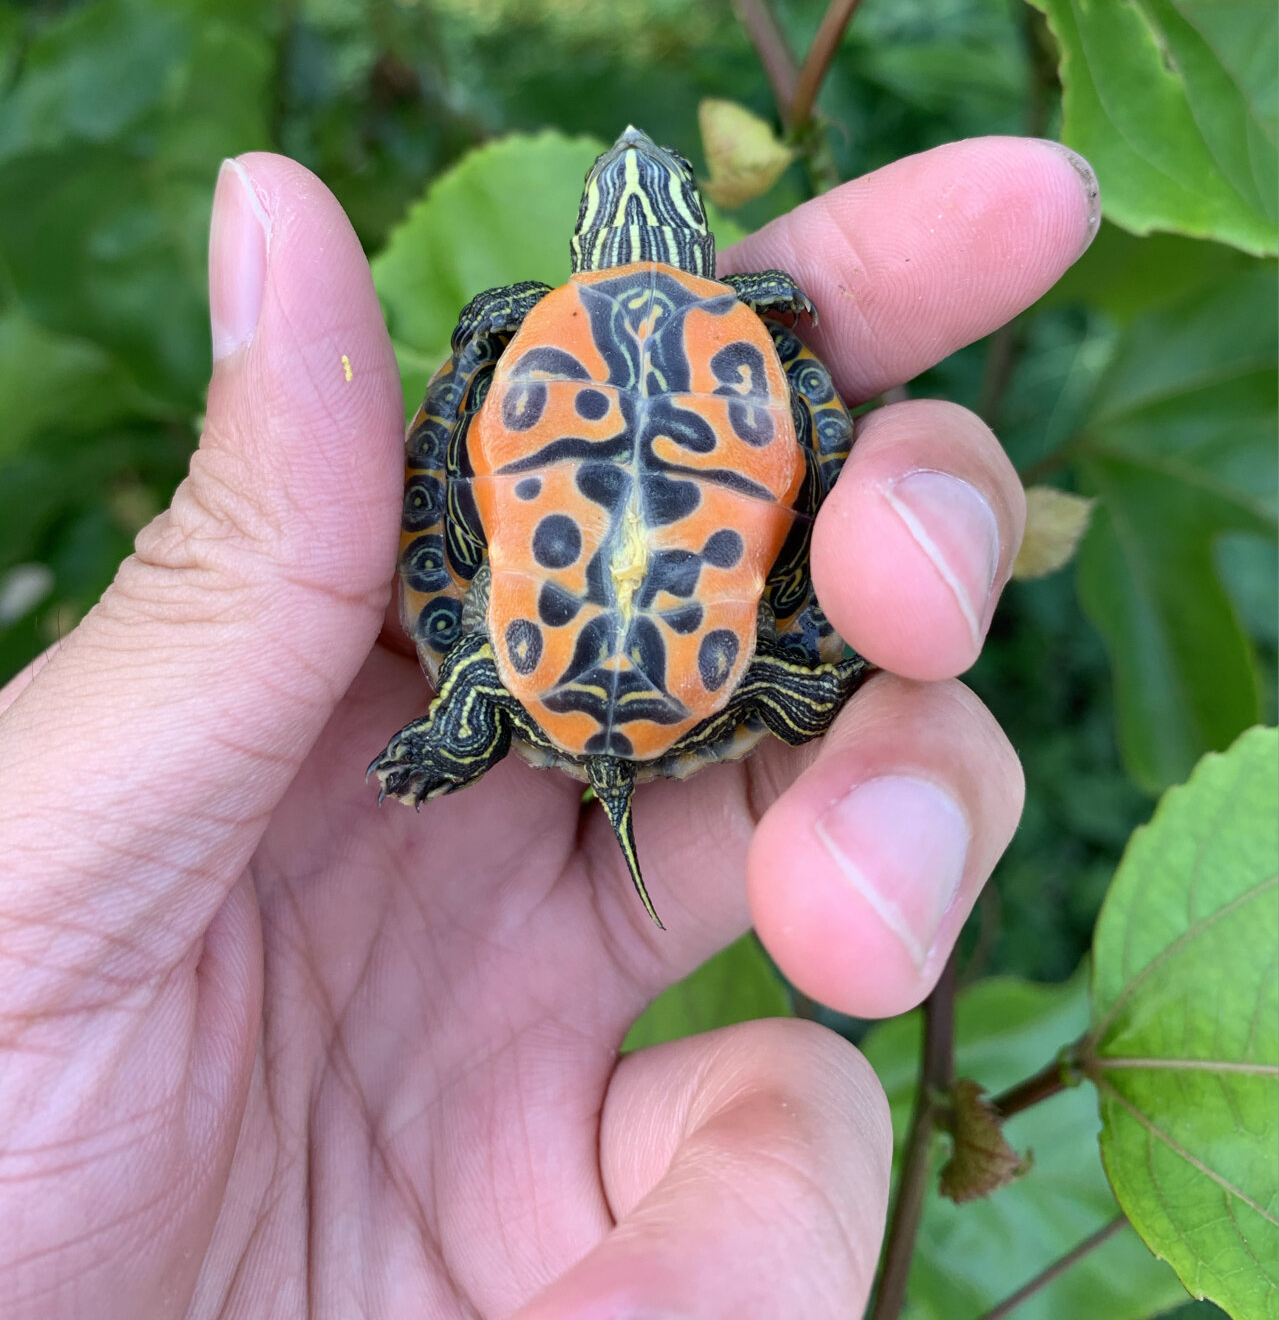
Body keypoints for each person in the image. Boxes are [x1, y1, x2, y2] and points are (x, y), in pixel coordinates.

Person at [0, 136, 1099, 1318]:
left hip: (536, 662)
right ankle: (538, 704)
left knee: (811, 626)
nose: (634, 165)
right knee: (826, 647)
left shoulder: (543, 320)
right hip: (699, 674)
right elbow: (752, 353)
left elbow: (487, 350)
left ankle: (478, 715)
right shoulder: (754, 316)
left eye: (646, 178)